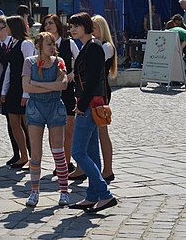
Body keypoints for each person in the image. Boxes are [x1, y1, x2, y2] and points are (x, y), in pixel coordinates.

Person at [68, 12, 117, 214]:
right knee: (91, 152)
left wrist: (82, 104)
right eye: (71, 26)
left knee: (77, 152)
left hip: (89, 105)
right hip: (87, 103)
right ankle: (93, 195)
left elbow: (94, 80)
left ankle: (105, 194)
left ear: (86, 26)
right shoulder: (87, 46)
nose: (72, 29)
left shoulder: (95, 47)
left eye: (76, 26)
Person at [22, 32, 70, 208]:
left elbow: (63, 85)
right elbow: (26, 87)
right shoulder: (29, 62)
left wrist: (38, 85)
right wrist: (49, 87)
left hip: (55, 106)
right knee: (35, 152)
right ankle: (34, 191)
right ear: (39, 46)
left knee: (58, 151)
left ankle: (64, 191)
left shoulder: (59, 61)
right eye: (49, 44)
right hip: (36, 108)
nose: (53, 47)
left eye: (53, 44)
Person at [42, 14, 79, 175]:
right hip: (50, 91)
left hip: (67, 90)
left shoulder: (67, 43)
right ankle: (58, 162)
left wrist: (72, 74)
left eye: (51, 23)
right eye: (46, 24)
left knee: (68, 130)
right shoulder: (42, 46)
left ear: (57, 25)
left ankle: (66, 162)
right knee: (53, 130)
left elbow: (80, 61)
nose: (48, 26)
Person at [0, 15, 34, 169]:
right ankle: (23, 155)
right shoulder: (12, 43)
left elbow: (30, 68)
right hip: (12, 87)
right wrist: (4, 90)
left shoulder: (25, 44)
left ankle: (33, 156)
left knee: (27, 123)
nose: (5, 29)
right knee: (13, 122)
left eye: (7, 26)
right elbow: (10, 68)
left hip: (23, 87)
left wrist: (26, 93)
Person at [167, 14, 186, 83]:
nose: (178, 25)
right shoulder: (169, 24)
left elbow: (185, 39)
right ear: (173, 21)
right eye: (176, 23)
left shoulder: (184, 26)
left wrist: (180, 50)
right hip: (173, 40)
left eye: (179, 24)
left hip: (183, 40)